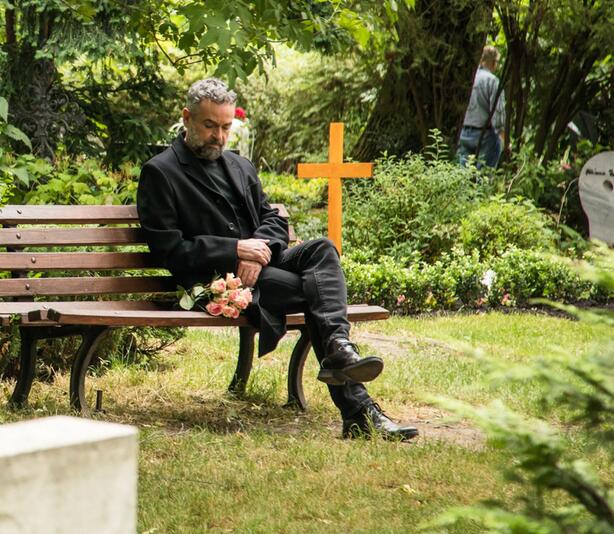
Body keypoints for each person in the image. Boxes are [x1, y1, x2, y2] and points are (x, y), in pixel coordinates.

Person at [137, 78, 419, 440]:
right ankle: (359, 409)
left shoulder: (239, 166)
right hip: (215, 282)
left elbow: (273, 219)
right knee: (311, 290)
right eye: (209, 126)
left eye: (225, 127)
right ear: (187, 118)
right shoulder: (161, 172)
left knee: (322, 248)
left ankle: (339, 351)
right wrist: (236, 249)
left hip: (262, 265)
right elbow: (168, 250)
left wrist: (260, 248)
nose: (218, 137)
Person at [457, 45, 506, 168]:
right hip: (484, 135)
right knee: (483, 178)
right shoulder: (493, 81)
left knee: (463, 177)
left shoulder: (470, 78)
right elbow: (497, 114)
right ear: (494, 62)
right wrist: (503, 138)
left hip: (464, 132)